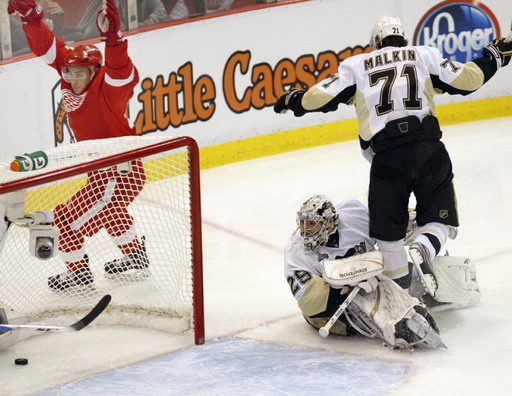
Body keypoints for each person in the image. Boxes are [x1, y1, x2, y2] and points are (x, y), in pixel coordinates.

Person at [276, 16, 512, 300]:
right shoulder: (424, 55)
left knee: (388, 240)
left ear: (375, 43)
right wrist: (496, 54)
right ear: (403, 39)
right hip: (429, 150)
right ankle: (424, 248)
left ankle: (404, 302)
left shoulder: (357, 66)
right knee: (440, 220)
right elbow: (470, 79)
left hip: (387, 160)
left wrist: (294, 101)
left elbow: (319, 97)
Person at [8, 0, 149, 291]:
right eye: (68, 73)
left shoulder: (108, 91)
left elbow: (122, 73)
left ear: (95, 72)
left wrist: (113, 40)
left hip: (119, 174)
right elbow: (49, 50)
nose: (72, 79)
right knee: (111, 211)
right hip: (103, 174)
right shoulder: (72, 77)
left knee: (63, 223)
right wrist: (33, 20)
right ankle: (135, 255)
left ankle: (79, 274)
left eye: (79, 73)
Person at [284, 194, 446, 349]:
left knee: (411, 275)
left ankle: (440, 294)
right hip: (331, 313)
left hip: (372, 279)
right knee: (370, 306)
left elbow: (389, 231)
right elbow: (310, 302)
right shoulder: (296, 250)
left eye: (312, 223)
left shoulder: (355, 214)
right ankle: (402, 330)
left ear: (328, 222)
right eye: (303, 223)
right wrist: (343, 285)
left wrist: (408, 220)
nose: (305, 230)